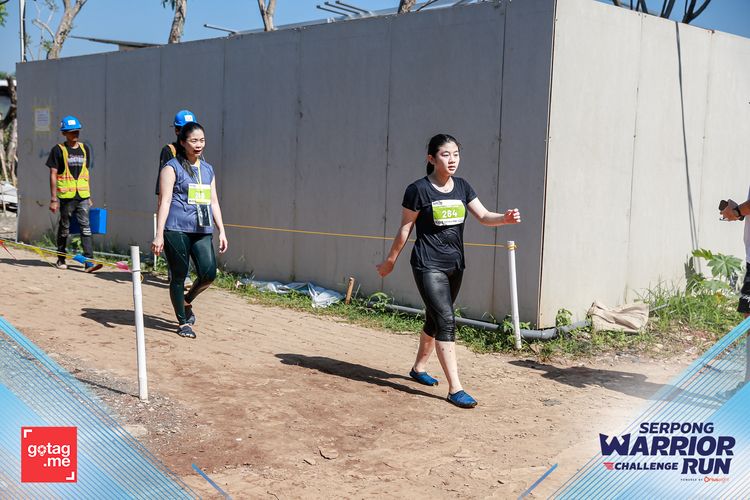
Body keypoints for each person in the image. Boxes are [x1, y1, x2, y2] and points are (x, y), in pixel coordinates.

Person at [376, 133, 521, 408]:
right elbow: (405, 228)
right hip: (427, 264)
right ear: (431, 158)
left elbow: (484, 216)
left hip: (454, 265)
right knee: (446, 320)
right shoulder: (418, 190)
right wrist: (390, 261)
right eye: (446, 154)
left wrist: (504, 218)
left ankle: (418, 368)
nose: (452, 159)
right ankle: (456, 388)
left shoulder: (462, 187)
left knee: (435, 319)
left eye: (456, 154)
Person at [151, 122, 228, 339]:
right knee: (178, 275)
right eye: (194, 141)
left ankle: (186, 301)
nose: (198, 145)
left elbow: (214, 201)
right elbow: (164, 201)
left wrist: (222, 230)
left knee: (208, 273)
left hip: (202, 228)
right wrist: (159, 234)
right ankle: (183, 322)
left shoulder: (208, 169)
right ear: (183, 142)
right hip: (176, 228)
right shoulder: (171, 167)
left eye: (202, 140)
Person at [46, 115, 102, 273]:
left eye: (77, 131)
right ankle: (61, 258)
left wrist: (89, 195)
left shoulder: (85, 149)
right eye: (71, 132)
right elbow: (53, 174)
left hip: (83, 195)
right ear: (64, 133)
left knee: (86, 227)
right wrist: (53, 199)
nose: (75, 134)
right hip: (66, 197)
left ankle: (89, 262)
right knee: (64, 228)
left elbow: (85, 172)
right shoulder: (58, 150)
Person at [157, 109, 198, 288]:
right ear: (176, 131)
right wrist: (161, 203)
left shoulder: (196, 151)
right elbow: (162, 181)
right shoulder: (169, 151)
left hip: (192, 203)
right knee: (175, 238)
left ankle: (181, 273)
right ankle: (180, 274)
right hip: (174, 203)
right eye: (183, 129)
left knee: (189, 240)